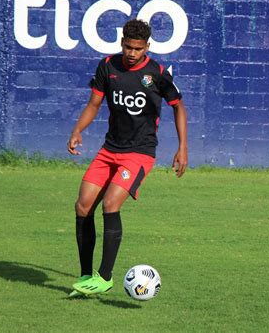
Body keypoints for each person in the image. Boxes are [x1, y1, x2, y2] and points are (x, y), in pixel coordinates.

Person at [67, 19, 188, 296]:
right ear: (121, 42)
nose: (132, 53)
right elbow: (94, 103)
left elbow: (178, 107)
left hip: (139, 152)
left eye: (137, 48)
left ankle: (105, 277)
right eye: (127, 47)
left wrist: (182, 147)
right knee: (83, 206)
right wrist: (77, 130)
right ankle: (87, 276)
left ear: (147, 46)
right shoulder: (108, 66)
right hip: (110, 149)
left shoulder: (156, 73)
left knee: (110, 204)